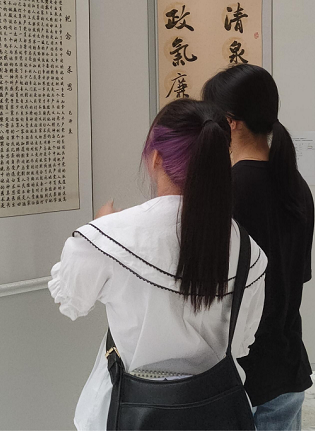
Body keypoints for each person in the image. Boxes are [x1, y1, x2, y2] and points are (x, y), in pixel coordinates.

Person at [49, 99, 267, 430]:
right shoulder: (249, 251)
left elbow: (71, 301)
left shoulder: (105, 237)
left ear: (156, 159)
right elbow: (241, 344)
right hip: (216, 415)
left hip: (127, 412)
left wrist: (101, 225)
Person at [202, 64, 314, 431]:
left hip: (242, 374)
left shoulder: (228, 191)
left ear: (230, 122)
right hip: (287, 362)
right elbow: (297, 276)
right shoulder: (297, 186)